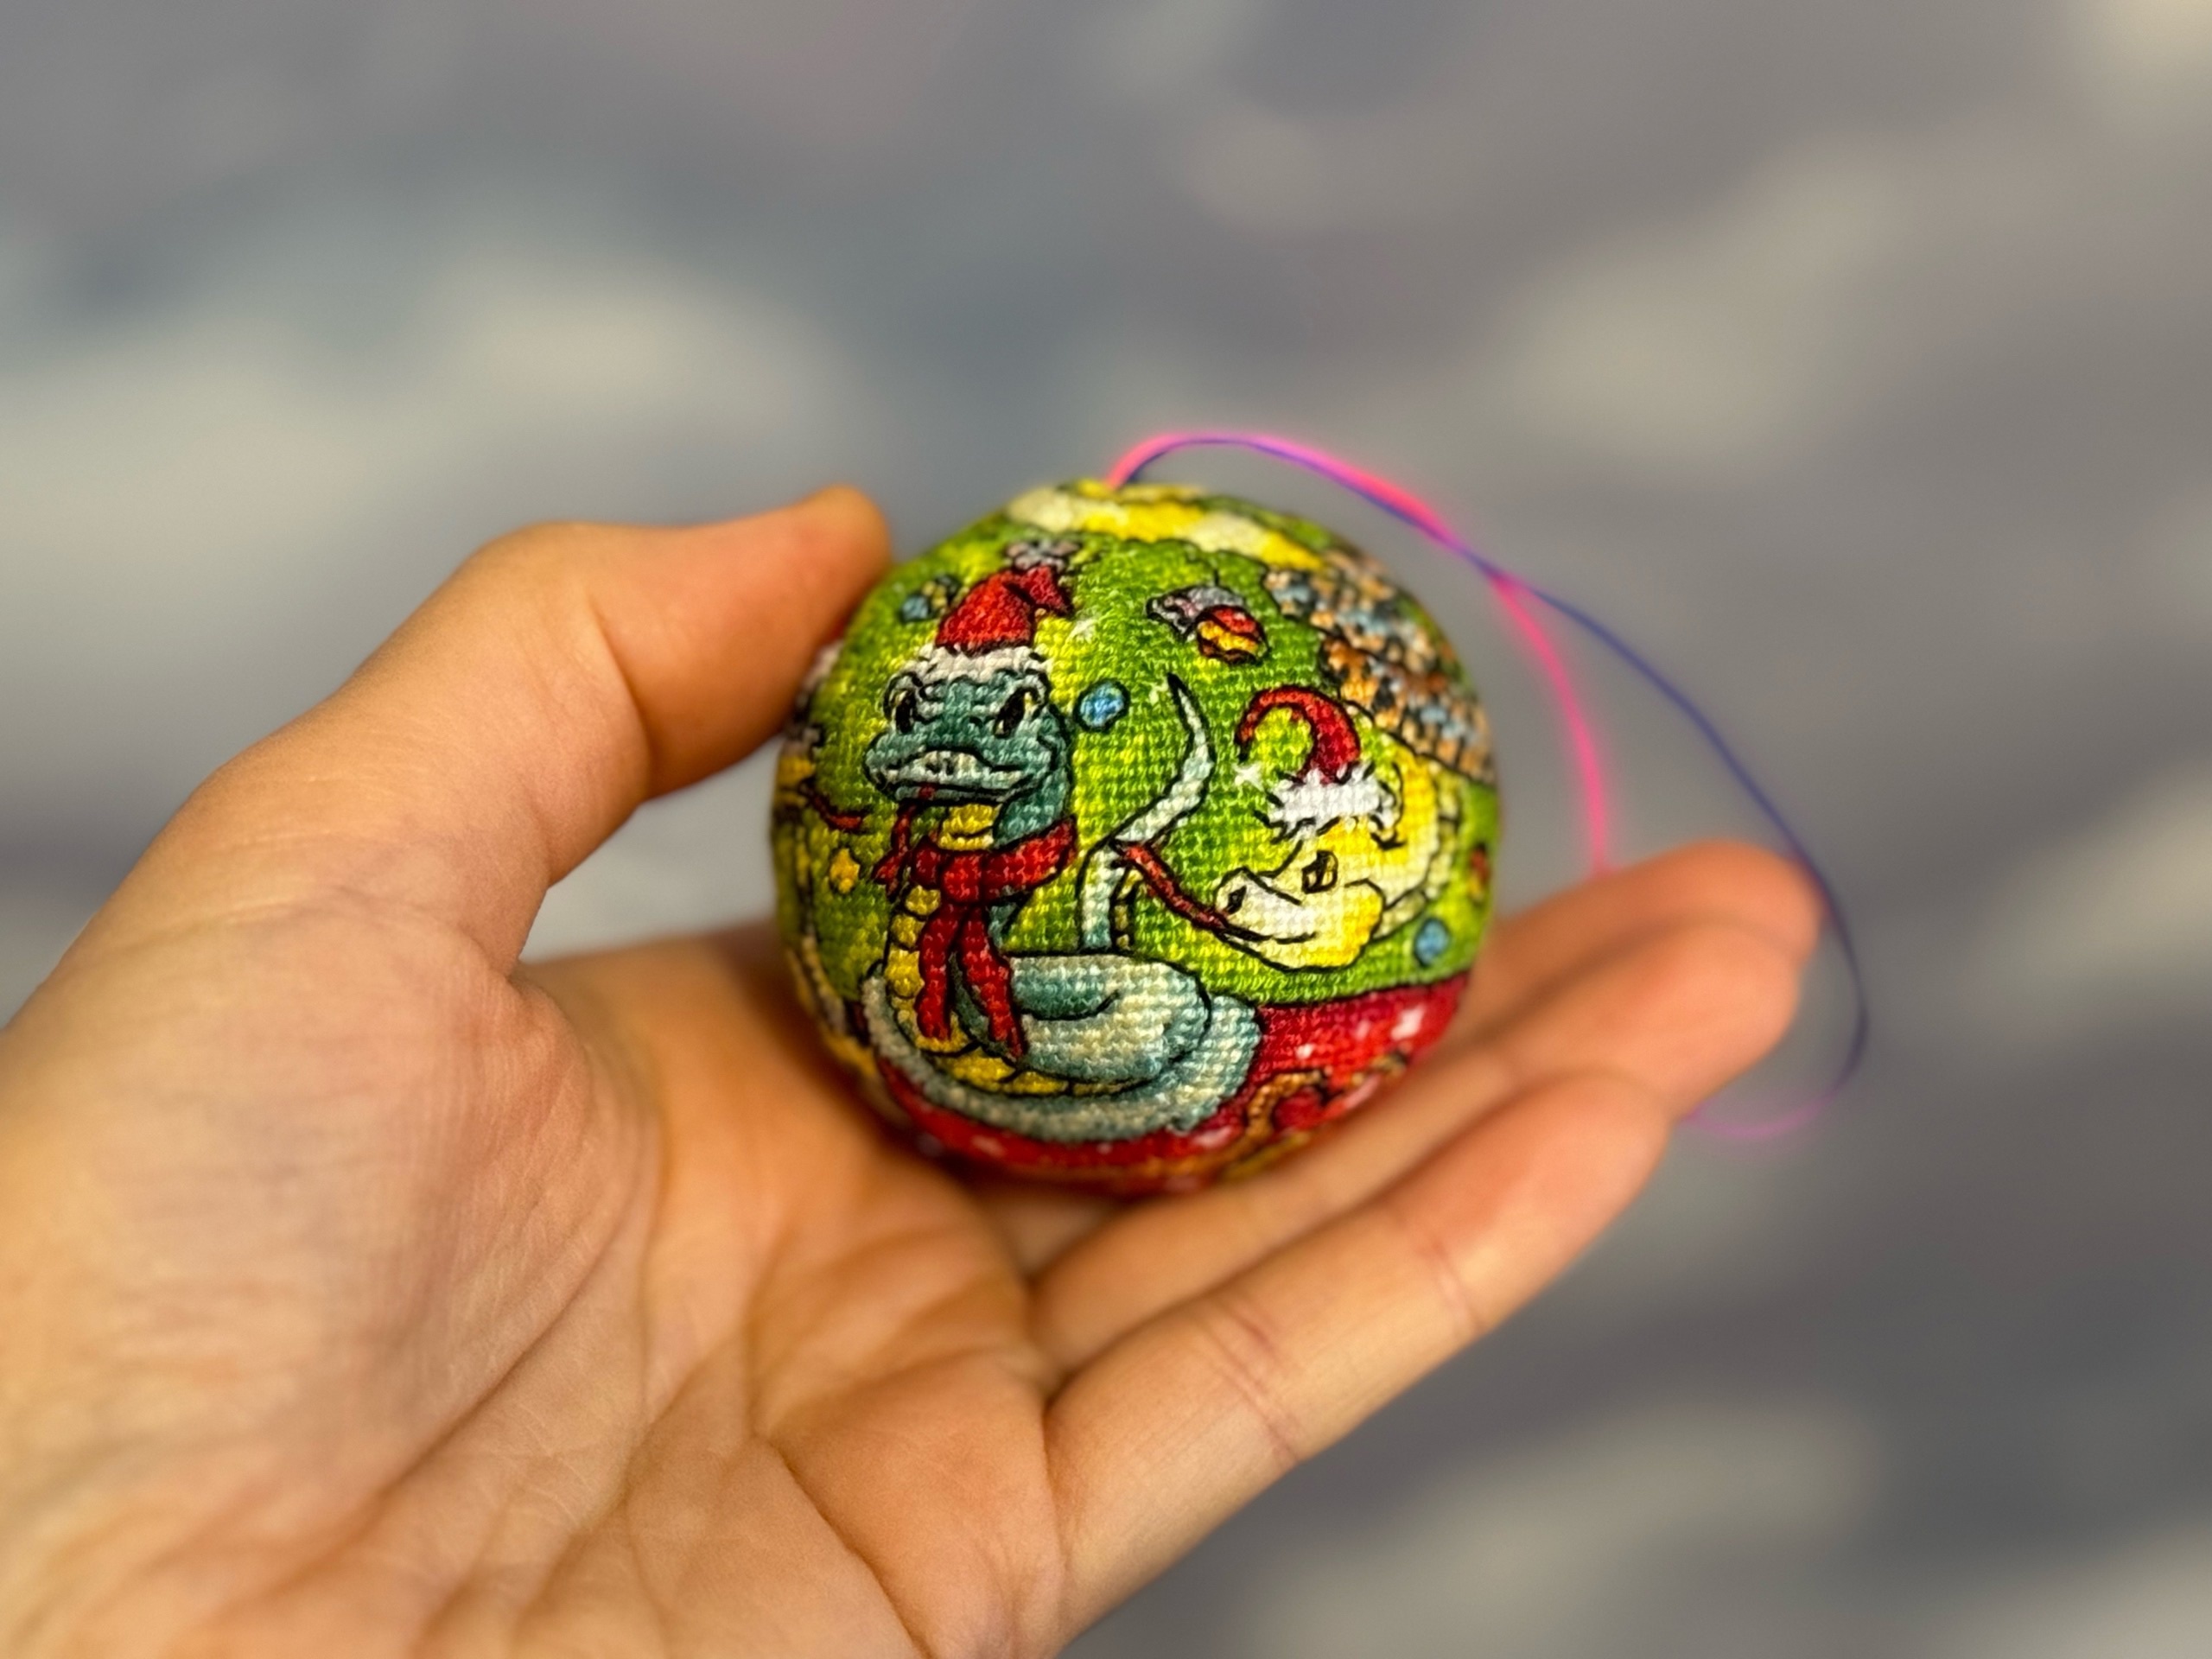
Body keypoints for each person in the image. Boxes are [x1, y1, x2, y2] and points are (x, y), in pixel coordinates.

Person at [0, 490, 1817, 1656]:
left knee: (1119, 1002)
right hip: (966, 1039)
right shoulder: (980, 832)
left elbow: (1142, 846)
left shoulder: (1140, 836)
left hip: (1075, 1032)